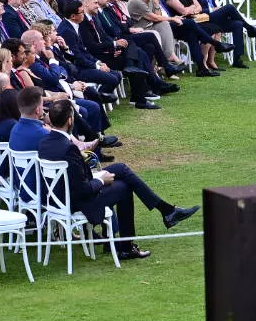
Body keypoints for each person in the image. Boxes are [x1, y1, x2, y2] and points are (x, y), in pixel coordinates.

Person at [37, 98, 198, 260]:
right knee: (124, 187)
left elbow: (73, 177)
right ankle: (127, 246)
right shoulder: (68, 148)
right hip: (76, 201)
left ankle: (166, 211)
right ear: (71, 120)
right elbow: (83, 190)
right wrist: (101, 180)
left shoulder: (45, 142)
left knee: (121, 169)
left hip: (60, 197)